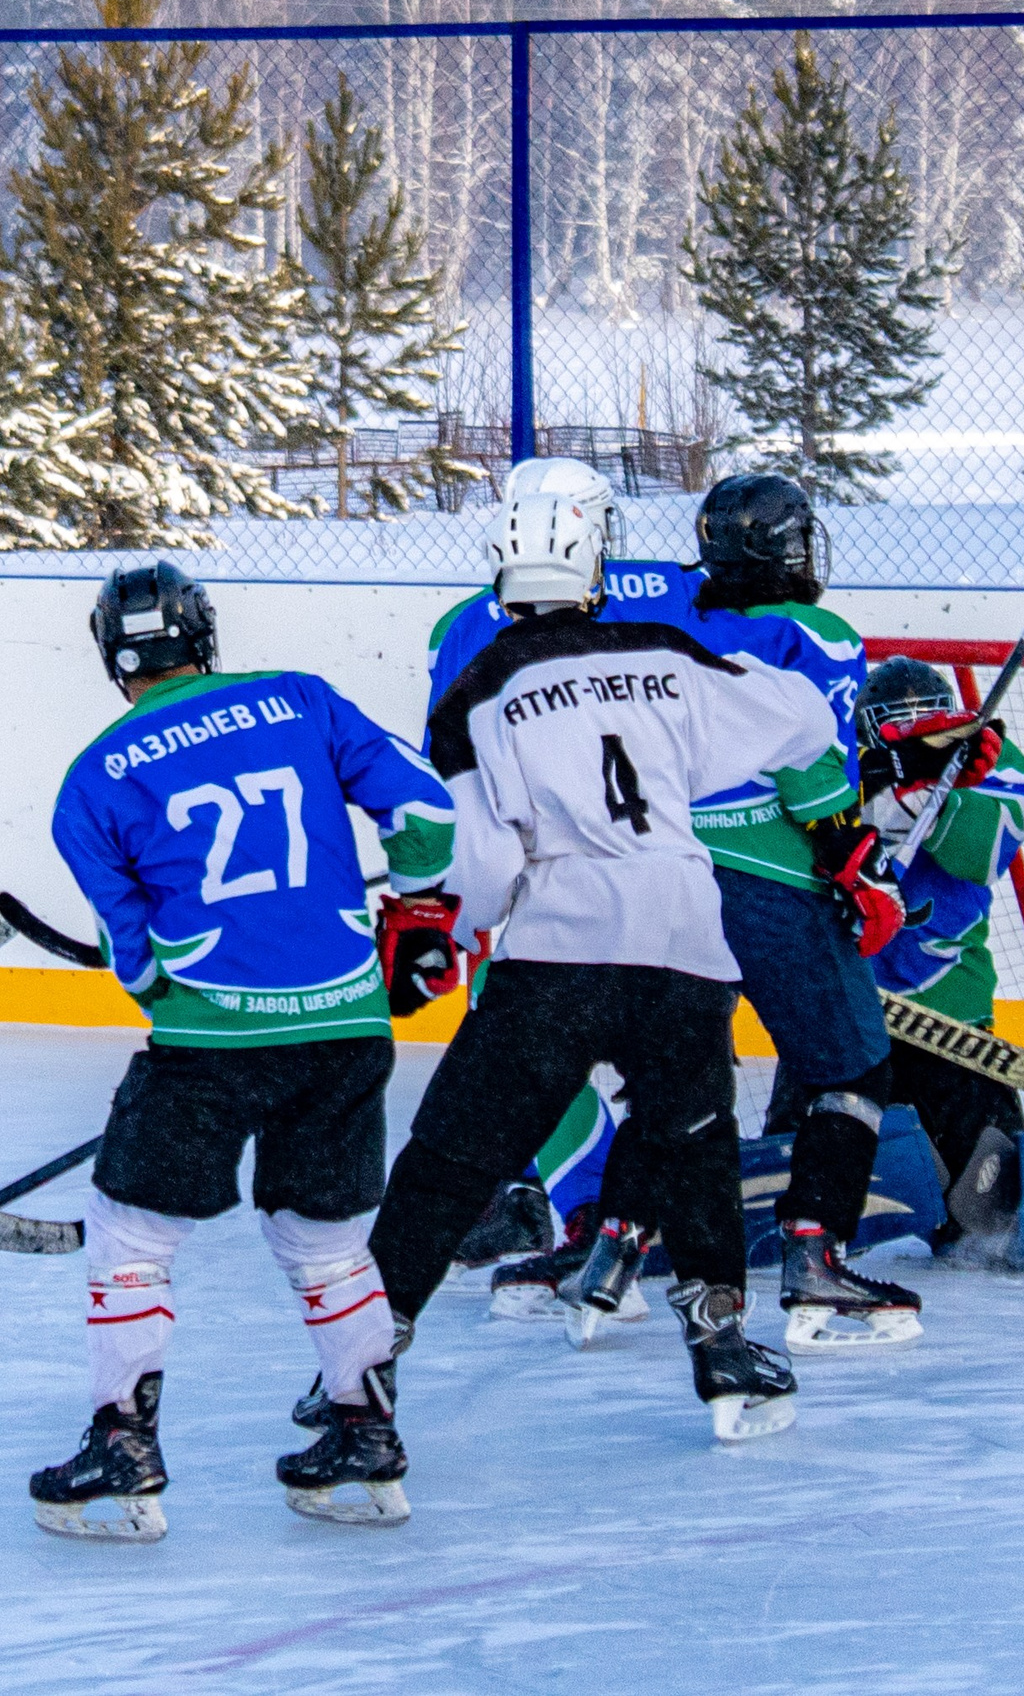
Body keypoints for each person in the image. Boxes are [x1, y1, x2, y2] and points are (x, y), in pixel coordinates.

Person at [366, 477, 840, 1446]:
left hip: (559, 950)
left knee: (450, 1153)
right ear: (597, 556)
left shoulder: (475, 693)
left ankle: (360, 1374)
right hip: (682, 943)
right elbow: (802, 720)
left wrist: (454, 927)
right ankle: (725, 1353)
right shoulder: (663, 654)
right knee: (692, 1142)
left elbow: (487, 865)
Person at [427, 465, 924, 1356]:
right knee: (853, 1067)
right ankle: (815, 1266)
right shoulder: (816, 629)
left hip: (661, 878)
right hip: (769, 878)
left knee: (678, 1081)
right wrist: (854, 858)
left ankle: (611, 1260)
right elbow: (810, 764)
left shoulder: (635, 613)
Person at [29, 560, 456, 1543]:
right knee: (325, 1239)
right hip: (347, 1025)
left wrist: (153, 976)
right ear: (203, 635)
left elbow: (136, 960)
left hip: (209, 1041)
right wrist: (419, 905)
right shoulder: (298, 699)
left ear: (111, 654)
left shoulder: (93, 777)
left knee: (131, 1234)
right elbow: (426, 814)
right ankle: (362, 1434)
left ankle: (122, 1452)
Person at [764, 655, 1024, 1271]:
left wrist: (926, 799)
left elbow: (980, 851)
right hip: (841, 1021)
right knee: (791, 1213)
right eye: (898, 723)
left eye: (931, 721)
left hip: (951, 1033)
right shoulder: (832, 768)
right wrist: (872, 794)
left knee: (989, 1233)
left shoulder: (988, 761)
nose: (922, 730)